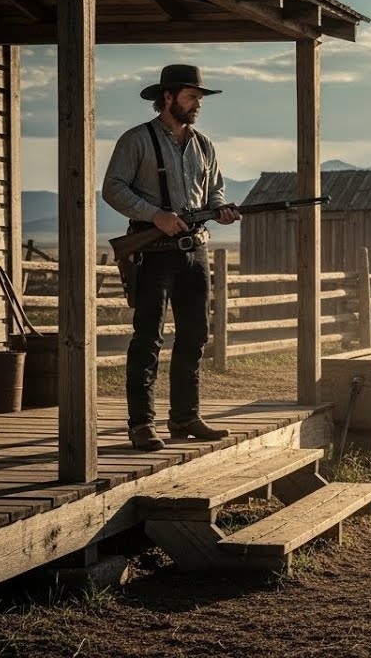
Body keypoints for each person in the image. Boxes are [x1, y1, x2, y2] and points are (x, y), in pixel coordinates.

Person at [103, 64, 242, 451]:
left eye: (198, 98)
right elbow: (112, 189)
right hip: (152, 254)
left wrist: (221, 210)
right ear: (167, 97)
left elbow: (214, 191)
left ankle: (184, 418)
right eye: (192, 96)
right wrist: (155, 215)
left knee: (195, 335)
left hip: (194, 252)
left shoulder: (204, 145)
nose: (198, 103)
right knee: (148, 337)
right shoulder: (136, 140)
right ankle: (141, 424)